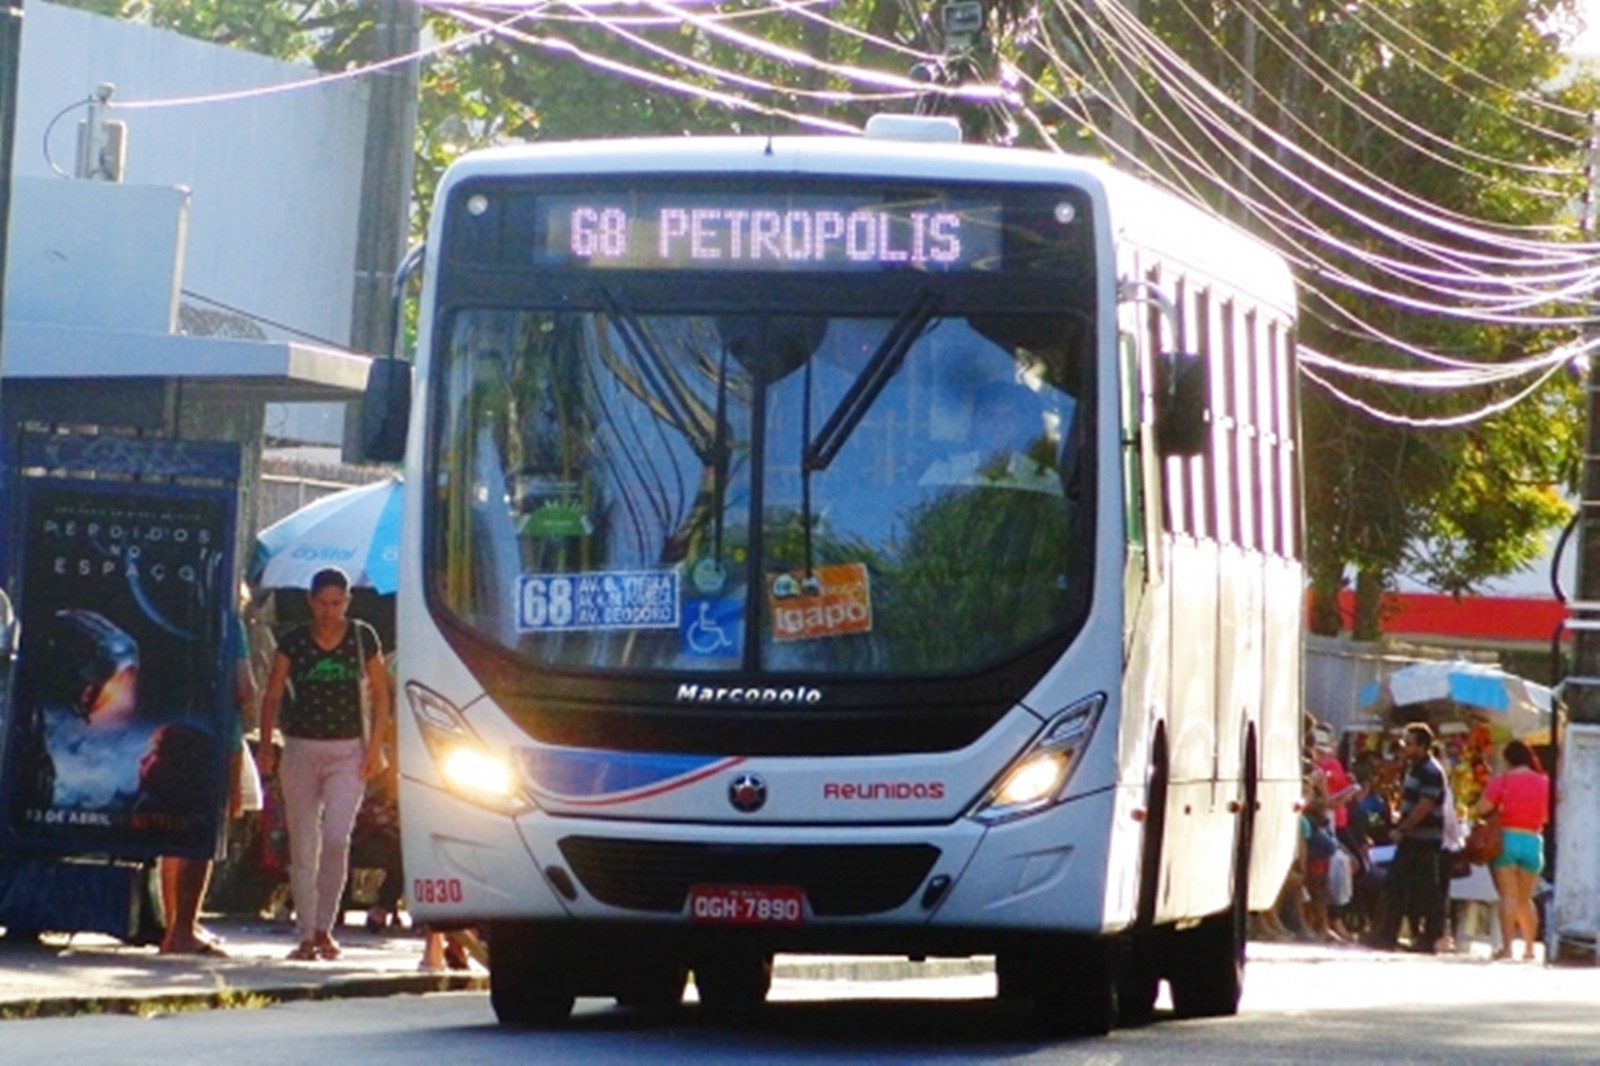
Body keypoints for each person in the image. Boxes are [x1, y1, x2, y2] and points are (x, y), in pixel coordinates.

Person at [256, 567, 392, 962]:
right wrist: (267, 745)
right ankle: (305, 934)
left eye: (338, 603)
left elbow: (381, 695)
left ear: (347, 602)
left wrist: (375, 748)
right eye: (323, 604)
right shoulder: (294, 641)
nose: (330, 612)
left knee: (336, 837)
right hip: (300, 747)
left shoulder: (362, 637)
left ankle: (324, 928)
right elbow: (273, 694)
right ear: (311, 603)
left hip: (348, 749)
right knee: (303, 843)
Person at [157, 608, 259, 956]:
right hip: (216, 737)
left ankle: (175, 926)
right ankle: (183, 931)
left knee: (173, 836)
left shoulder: (175, 610)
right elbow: (244, 687)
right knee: (203, 836)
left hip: (172, 730)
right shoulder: (227, 621)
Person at [1374, 722, 1448, 953]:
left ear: (1423, 746)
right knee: (1397, 886)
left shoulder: (1431, 771)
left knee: (1426, 890)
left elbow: (1424, 806)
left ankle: (1429, 938)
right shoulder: (1413, 769)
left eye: (1409, 743)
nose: (1404, 747)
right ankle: (1387, 935)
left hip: (1424, 839)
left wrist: (1402, 828)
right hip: (1413, 837)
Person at [1475, 739, 1551, 961]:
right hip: (1534, 840)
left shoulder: (1504, 780)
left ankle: (1507, 948)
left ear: (1508, 759)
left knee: (1508, 896)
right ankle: (1529, 949)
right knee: (1525, 899)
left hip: (1508, 838)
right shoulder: (1544, 782)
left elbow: (1482, 808)